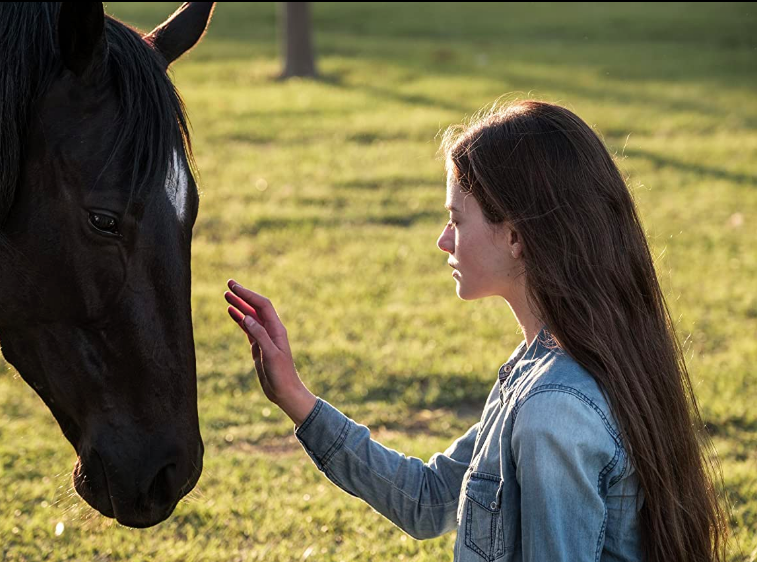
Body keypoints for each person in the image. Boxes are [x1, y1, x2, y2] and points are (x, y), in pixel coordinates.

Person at [224, 99, 728, 562]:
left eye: (456, 221)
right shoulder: (546, 365)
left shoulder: (554, 408)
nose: (443, 241)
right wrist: (294, 395)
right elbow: (428, 501)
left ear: (514, 237)